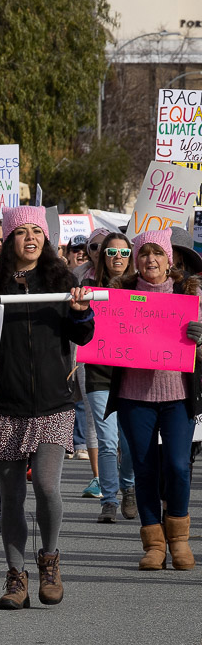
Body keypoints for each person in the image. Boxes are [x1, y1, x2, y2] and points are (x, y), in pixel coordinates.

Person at [0, 206, 94, 610]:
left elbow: (84, 336)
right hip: (6, 405)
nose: (30, 237)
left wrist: (80, 311)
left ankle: (50, 560)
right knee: (12, 495)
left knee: (47, 485)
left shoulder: (62, 280)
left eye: (37, 230)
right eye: (21, 231)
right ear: (8, 240)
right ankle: (16, 576)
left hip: (55, 404)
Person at [109, 229, 202, 572]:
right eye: (144, 254)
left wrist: (200, 338)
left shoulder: (189, 293)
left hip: (178, 395)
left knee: (178, 466)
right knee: (145, 468)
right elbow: (101, 335)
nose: (151, 260)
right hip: (135, 396)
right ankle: (154, 544)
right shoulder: (121, 294)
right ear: (136, 260)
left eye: (157, 254)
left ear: (170, 260)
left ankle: (178, 538)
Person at [80, 233, 136, 522]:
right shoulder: (88, 288)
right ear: (102, 256)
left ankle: (129, 488)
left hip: (133, 376)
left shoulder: (141, 289)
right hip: (99, 373)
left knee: (129, 442)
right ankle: (109, 500)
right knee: (107, 439)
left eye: (124, 253)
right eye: (112, 252)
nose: (118, 257)